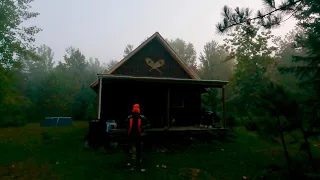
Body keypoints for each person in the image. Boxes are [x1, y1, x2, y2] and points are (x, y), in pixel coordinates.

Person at [125, 104, 150, 170]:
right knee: (135, 149)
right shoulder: (131, 117)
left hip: (136, 135)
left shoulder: (139, 117)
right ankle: (134, 162)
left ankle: (136, 162)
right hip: (134, 135)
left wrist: (143, 127)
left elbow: (148, 124)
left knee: (136, 149)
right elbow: (125, 123)